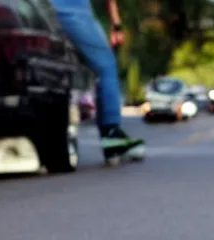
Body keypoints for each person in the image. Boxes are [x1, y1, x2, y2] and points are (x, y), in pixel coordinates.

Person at [49, 0, 145, 163]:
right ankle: (111, 133)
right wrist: (116, 25)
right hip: (72, 13)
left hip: (35, 12)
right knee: (106, 66)